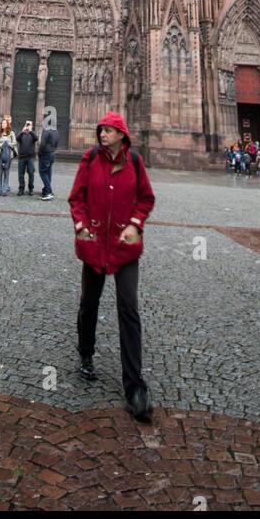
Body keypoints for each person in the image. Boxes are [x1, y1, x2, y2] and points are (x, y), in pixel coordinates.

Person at [69, 110, 156, 423]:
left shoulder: (135, 162)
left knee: (129, 309)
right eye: (100, 130)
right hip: (95, 245)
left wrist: (135, 223)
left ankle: (135, 386)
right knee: (88, 303)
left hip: (124, 247)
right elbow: (76, 197)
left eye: (107, 130)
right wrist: (80, 224)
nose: (102, 134)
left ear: (121, 134)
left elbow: (145, 199)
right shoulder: (90, 159)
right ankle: (86, 352)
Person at [0, 115, 17, 196]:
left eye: (4, 123)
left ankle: (4, 189)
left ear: (7, 124)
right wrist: (2, 145)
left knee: (6, 173)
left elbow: (14, 143)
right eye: (2, 123)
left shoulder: (11, 133)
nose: (3, 125)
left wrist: (8, 144)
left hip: (8, 156)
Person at [38, 115, 59, 199]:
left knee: (43, 172)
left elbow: (43, 143)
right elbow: (57, 143)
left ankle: (49, 192)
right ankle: (46, 190)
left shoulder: (47, 130)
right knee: (48, 172)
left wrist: (39, 153)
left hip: (45, 154)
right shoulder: (56, 131)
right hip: (52, 153)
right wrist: (53, 150)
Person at [16, 118, 38, 196]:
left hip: (30, 158)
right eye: (27, 124)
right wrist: (22, 131)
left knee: (31, 173)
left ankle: (31, 189)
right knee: (20, 174)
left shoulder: (33, 134)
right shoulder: (22, 134)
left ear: (32, 126)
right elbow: (17, 139)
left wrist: (30, 131)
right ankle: (21, 189)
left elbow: (36, 138)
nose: (28, 126)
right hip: (21, 157)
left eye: (29, 125)